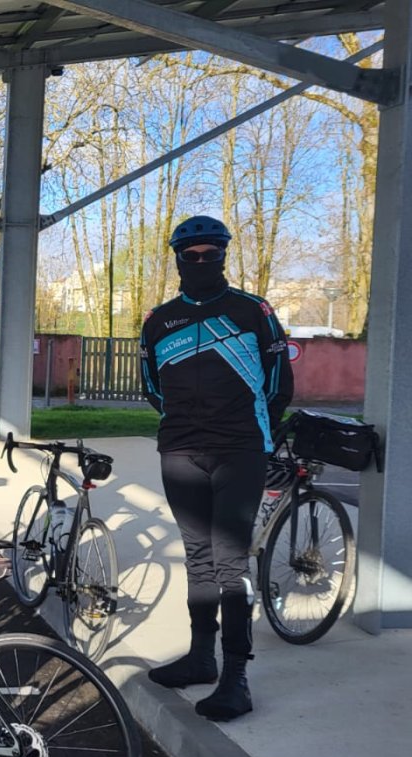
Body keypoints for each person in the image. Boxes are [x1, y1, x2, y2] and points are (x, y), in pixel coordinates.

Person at [139, 215, 293, 722]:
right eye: (192, 255)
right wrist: (186, 425)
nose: (202, 261)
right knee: (198, 559)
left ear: (225, 255)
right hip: (181, 451)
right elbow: (152, 387)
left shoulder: (252, 310)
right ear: (178, 259)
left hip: (240, 451)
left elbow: (278, 383)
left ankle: (236, 677)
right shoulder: (159, 320)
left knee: (230, 563)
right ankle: (201, 657)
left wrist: (255, 431)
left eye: (212, 254)